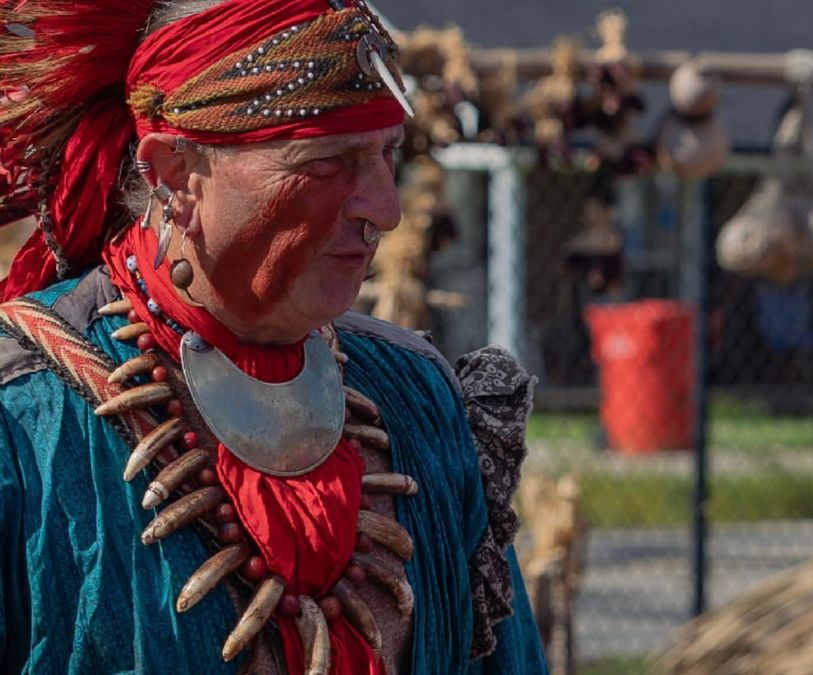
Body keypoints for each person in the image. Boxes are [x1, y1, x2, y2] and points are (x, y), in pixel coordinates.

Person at [0, 0, 546, 673]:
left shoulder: (419, 398)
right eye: (327, 162)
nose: (386, 210)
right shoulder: (23, 419)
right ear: (175, 175)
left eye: (388, 153)